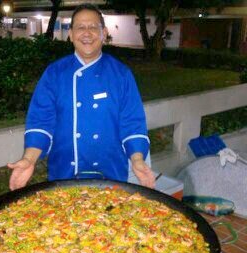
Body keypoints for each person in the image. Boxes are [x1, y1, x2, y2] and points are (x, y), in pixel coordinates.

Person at [8, 3, 155, 190]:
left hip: (111, 176)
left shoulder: (121, 74)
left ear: (104, 33)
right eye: (80, 27)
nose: (87, 33)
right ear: (70, 34)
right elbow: (41, 122)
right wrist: (29, 160)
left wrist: (138, 159)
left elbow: (133, 124)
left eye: (93, 27)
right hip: (64, 176)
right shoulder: (54, 73)